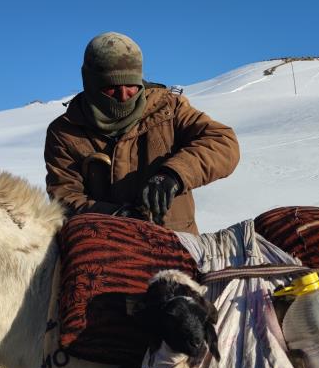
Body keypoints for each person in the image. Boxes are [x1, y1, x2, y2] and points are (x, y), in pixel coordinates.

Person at [44, 32, 239, 234]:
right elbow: (64, 197)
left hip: (176, 241)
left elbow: (223, 142)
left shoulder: (168, 109)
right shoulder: (65, 132)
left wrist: (174, 174)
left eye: (131, 85)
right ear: (91, 84)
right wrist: (114, 216)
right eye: (110, 86)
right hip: (106, 242)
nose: (123, 95)